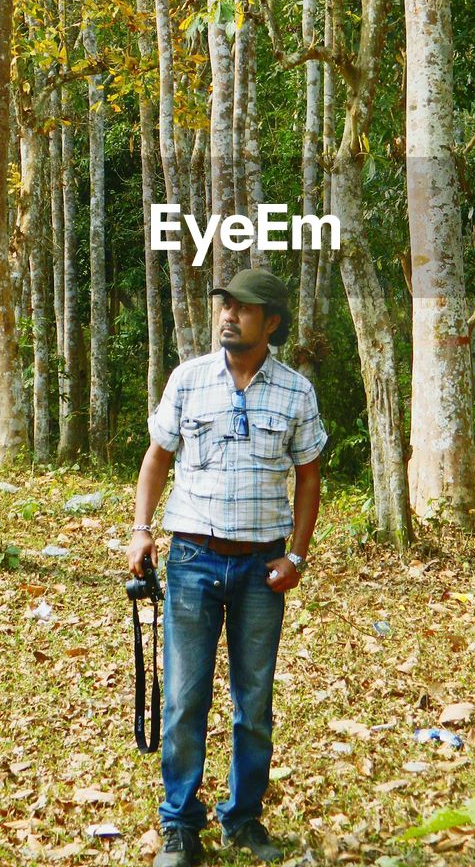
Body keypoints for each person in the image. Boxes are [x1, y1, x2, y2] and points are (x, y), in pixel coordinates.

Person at [128, 267, 327, 867]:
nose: (228, 315)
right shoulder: (188, 380)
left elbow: (310, 473)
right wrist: (140, 531)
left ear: (272, 323)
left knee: (254, 702)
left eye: (242, 308)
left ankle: (243, 821)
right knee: (186, 699)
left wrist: (297, 554)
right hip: (192, 558)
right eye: (225, 305)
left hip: (261, 571)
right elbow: (157, 456)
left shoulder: (296, 392)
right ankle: (180, 827)